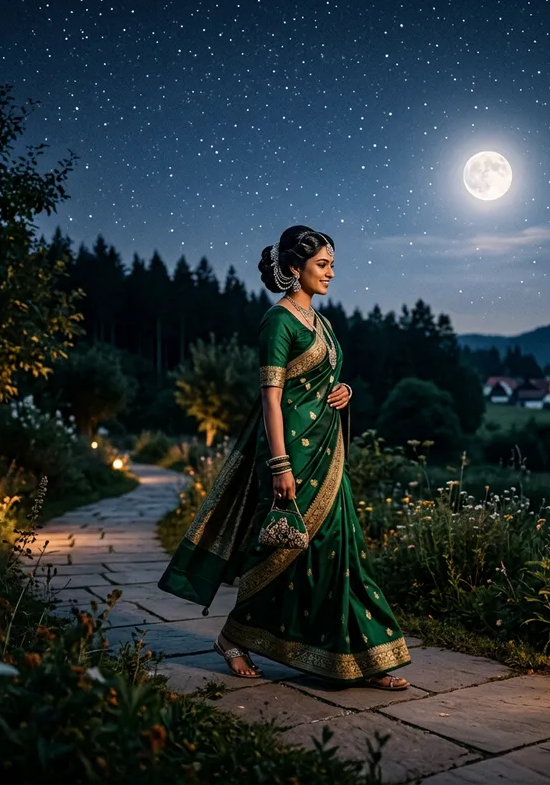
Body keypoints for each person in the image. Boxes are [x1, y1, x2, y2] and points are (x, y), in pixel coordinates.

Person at [158, 225, 410, 690]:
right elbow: (271, 399)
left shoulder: (322, 323)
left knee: (339, 552)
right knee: (281, 551)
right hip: (289, 453)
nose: (331, 273)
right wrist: (280, 464)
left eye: (332, 265)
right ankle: (233, 638)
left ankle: (359, 656)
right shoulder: (278, 321)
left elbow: (322, 381)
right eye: (322, 265)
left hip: (326, 455)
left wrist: (344, 390)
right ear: (294, 268)